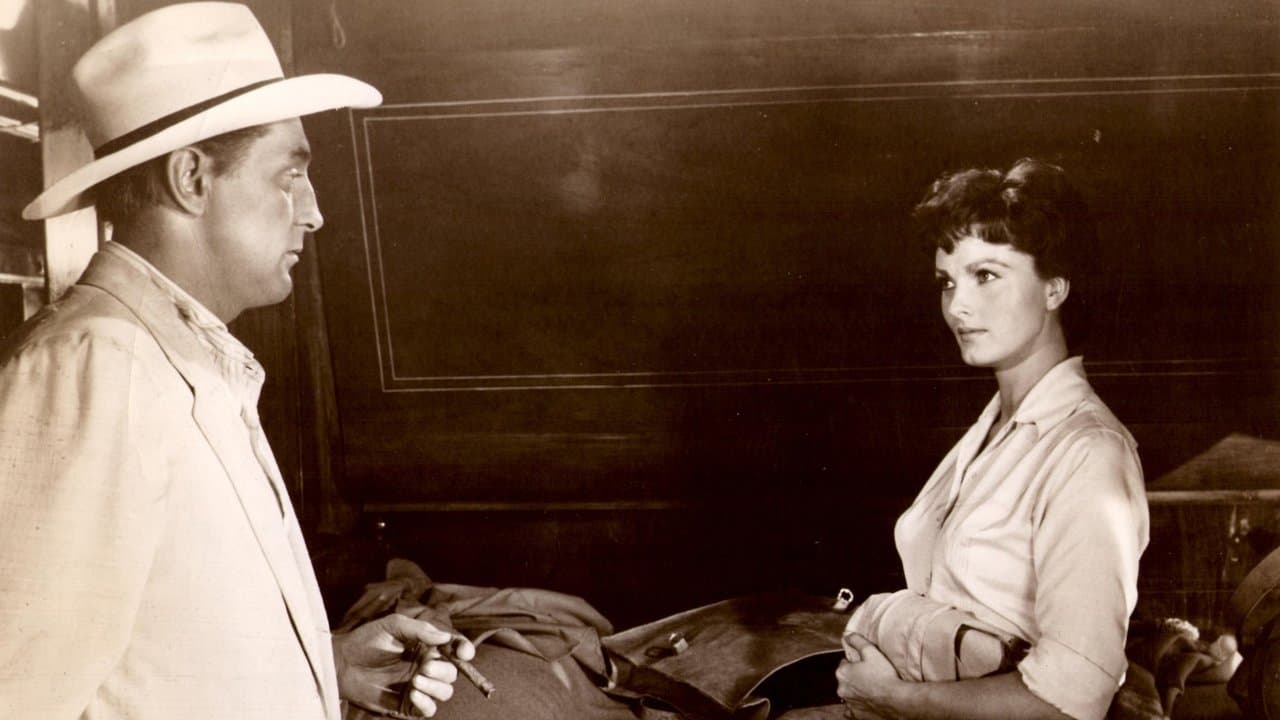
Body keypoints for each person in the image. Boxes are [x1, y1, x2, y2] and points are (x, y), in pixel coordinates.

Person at [0, 4, 473, 719]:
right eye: (289, 176)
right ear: (192, 178)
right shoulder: (94, 367)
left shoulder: (177, 357)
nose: (313, 213)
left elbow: (156, 646)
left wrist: (327, 665)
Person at [835, 159, 1150, 720]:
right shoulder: (990, 434)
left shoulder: (1089, 452)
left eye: (985, 275)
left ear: (1054, 288)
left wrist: (893, 697)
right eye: (947, 282)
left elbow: (1071, 703)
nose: (957, 305)